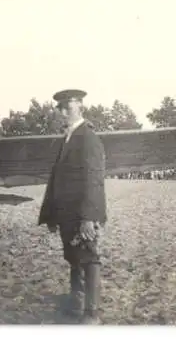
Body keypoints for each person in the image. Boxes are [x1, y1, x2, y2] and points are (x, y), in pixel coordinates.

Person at [38, 89, 107, 324]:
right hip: (67, 214)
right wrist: (51, 215)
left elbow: (94, 178)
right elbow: (58, 178)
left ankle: (92, 313)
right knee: (74, 257)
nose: (62, 113)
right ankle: (77, 304)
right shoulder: (68, 137)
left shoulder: (87, 137)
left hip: (82, 214)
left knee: (89, 258)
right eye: (60, 109)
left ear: (76, 107)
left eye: (66, 108)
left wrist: (89, 217)